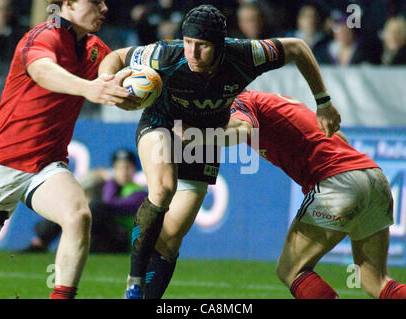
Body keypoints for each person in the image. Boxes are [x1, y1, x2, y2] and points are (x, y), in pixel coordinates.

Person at [98, 4, 341, 299]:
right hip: (162, 124)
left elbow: (298, 48)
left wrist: (323, 101)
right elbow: (116, 56)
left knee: (170, 241)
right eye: (188, 43)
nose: (192, 53)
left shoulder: (246, 55)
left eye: (201, 46)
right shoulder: (165, 54)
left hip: (205, 140)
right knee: (162, 189)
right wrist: (107, 82)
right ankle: (134, 284)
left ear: (220, 45)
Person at [176, 90, 406, 299]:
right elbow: (339, 138)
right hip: (372, 176)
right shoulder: (278, 102)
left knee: (290, 270)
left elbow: (241, 129)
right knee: (373, 280)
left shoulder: (240, 102)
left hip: (337, 181)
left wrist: (195, 137)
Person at [0, 0, 133, 299]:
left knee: (78, 216)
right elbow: (42, 71)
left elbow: (110, 69)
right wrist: (88, 88)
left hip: (47, 164)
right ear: (68, 3)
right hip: (3, 161)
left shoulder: (94, 48)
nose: (103, 8)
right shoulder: (42, 36)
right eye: (94, 1)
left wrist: (127, 93)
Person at [23, 149, 147, 254]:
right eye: (119, 167)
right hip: (97, 235)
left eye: (128, 167)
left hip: (120, 239)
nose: (124, 172)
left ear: (135, 170)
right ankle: (40, 242)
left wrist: (109, 182)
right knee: (72, 204)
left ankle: (73, 245)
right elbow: (79, 185)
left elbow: (109, 204)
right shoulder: (103, 186)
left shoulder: (139, 193)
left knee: (96, 206)